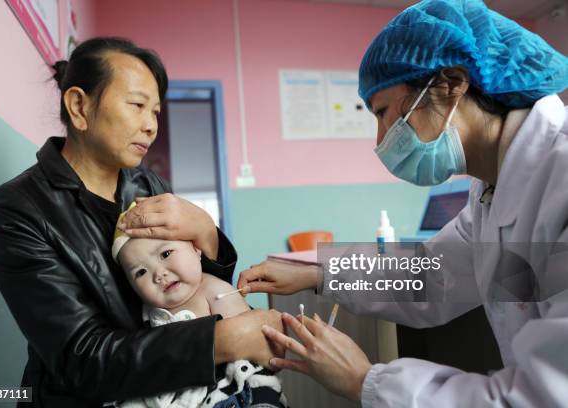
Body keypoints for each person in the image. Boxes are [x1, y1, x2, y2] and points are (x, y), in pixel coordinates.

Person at [237, 0, 568, 407]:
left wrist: (365, 381)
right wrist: (317, 273)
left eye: (383, 113)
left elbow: (544, 396)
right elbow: (433, 274)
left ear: (451, 84)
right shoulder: (493, 189)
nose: (380, 142)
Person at [0, 37, 284, 408]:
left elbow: (193, 286)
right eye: (138, 105)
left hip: (177, 390)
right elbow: (81, 360)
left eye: (155, 112)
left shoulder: (148, 185)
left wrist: (206, 230)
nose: (151, 125)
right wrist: (223, 340)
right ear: (79, 106)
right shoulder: (18, 210)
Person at [112, 202, 286, 408]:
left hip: (231, 393)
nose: (159, 274)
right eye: (140, 272)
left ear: (196, 249)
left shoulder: (213, 291)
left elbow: (254, 349)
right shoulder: (147, 311)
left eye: (166, 254)